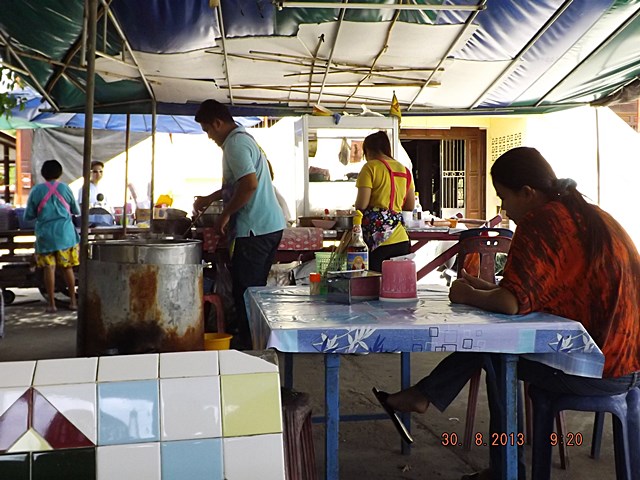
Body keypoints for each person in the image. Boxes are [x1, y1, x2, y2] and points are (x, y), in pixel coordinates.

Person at [373, 147, 640, 480]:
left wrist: (467, 294)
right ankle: (425, 396)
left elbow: (512, 304)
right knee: (495, 345)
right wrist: (486, 290)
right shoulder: (589, 214)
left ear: (527, 193)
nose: (504, 210)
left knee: (496, 353)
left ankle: (502, 468)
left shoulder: (541, 220)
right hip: (629, 360)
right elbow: (540, 293)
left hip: (602, 366)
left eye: (504, 198)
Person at [193, 100, 286, 349]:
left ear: (217, 123)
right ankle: (257, 344)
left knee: (246, 295)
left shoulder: (234, 144)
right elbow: (239, 182)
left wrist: (225, 215)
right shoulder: (244, 139)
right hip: (269, 227)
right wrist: (211, 198)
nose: (209, 136)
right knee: (254, 293)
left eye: (208, 130)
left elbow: (249, 184)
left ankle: (250, 350)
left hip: (255, 229)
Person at [354, 131, 415, 272]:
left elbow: (361, 205)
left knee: (373, 282)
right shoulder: (404, 170)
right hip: (401, 239)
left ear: (368, 150)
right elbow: (410, 206)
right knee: (396, 283)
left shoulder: (370, 167)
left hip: (377, 240)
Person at [25, 160, 80, 313]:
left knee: (49, 268)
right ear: (60, 173)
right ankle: (73, 302)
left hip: (45, 236)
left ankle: (51, 304)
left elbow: (28, 215)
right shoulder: (65, 188)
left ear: (43, 174)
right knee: (67, 268)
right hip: (65, 235)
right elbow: (76, 210)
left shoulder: (36, 191)